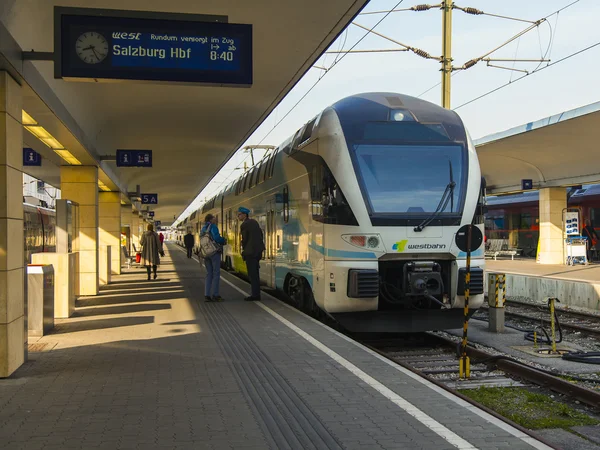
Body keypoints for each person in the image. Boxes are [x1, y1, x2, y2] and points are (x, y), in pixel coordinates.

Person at [237, 206, 265, 301]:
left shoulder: (244, 225)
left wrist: (243, 249)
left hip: (250, 253)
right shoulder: (255, 222)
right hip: (257, 252)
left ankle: (255, 295)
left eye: (239, 214)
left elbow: (244, 239)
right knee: (255, 274)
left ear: (244, 215)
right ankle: (256, 293)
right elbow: (260, 235)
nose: (238, 216)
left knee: (252, 275)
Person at [201, 214, 227, 302]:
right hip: (214, 253)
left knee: (209, 274)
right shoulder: (213, 227)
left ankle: (206, 295)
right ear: (211, 219)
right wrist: (223, 240)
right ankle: (215, 295)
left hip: (206, 253)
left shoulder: (203, 228)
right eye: (214, 218)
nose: (215, 219)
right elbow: (216, 238)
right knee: (216, 274)